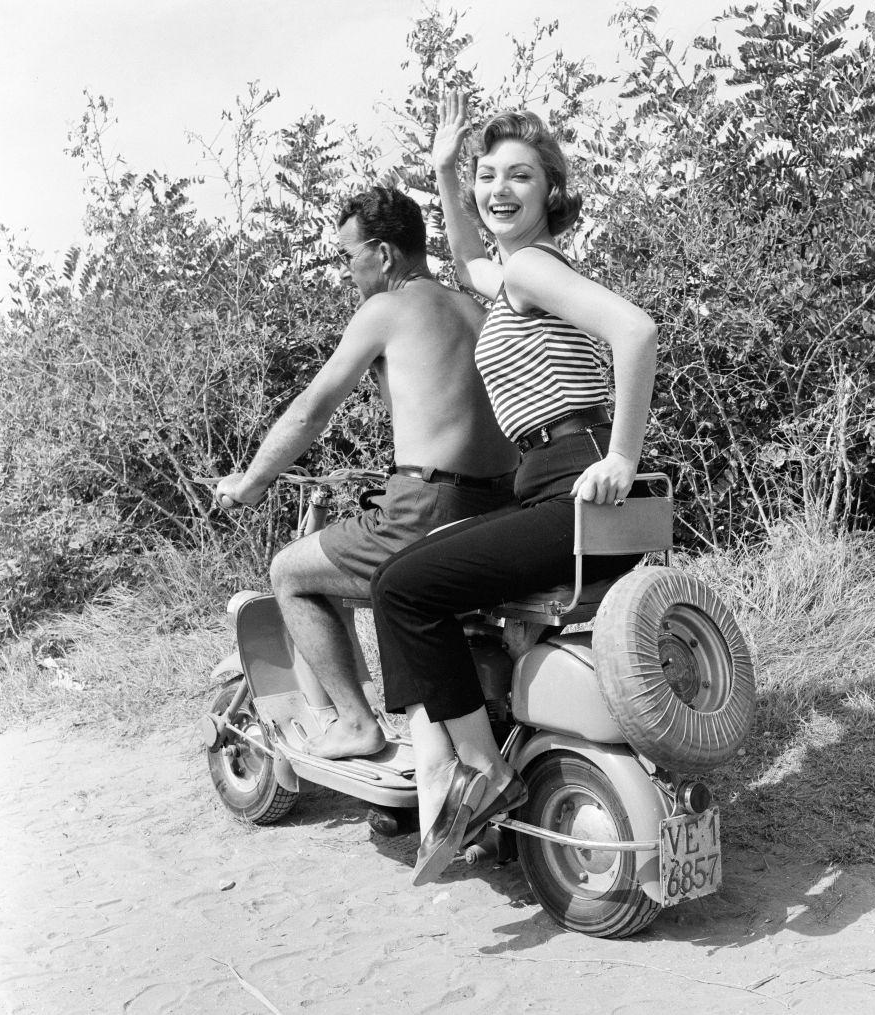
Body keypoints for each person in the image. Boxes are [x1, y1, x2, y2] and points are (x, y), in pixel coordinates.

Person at [370, 91, 658, 884]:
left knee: (400, 587)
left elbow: (636, 332)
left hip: (574, 483)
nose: (499, 189)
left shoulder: (531, 266)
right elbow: (468, 263)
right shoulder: (514, 276)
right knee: (423, 570)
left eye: (519, 177)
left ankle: (473, 767)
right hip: (552, 484)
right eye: (487, 176)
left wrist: (624, 455)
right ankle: (444, 763)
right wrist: (442, 169)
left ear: (550, 191)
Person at [215, 185, 520, 761]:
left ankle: (355, 723)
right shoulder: (475, 309)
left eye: (347, 256)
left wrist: (250, 482)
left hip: (425, 508)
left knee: (290, 573)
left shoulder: (385, 309)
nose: (346, 270)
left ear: (382, 254)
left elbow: (311, 410)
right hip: (499, 508)